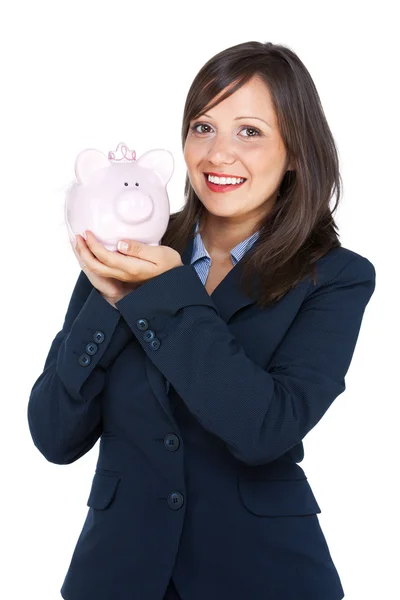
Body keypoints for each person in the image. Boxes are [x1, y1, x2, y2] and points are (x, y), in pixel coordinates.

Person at [27, 40, 376, 600]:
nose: (217, 154)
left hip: (263, 575)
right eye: (203, 127)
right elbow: (54, 436)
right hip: (117, 575)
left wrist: (166, 292)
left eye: (250, 131)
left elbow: (264, 429)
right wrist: (110, 300)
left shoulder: (336, 277)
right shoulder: (132, 248)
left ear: (295, 152)